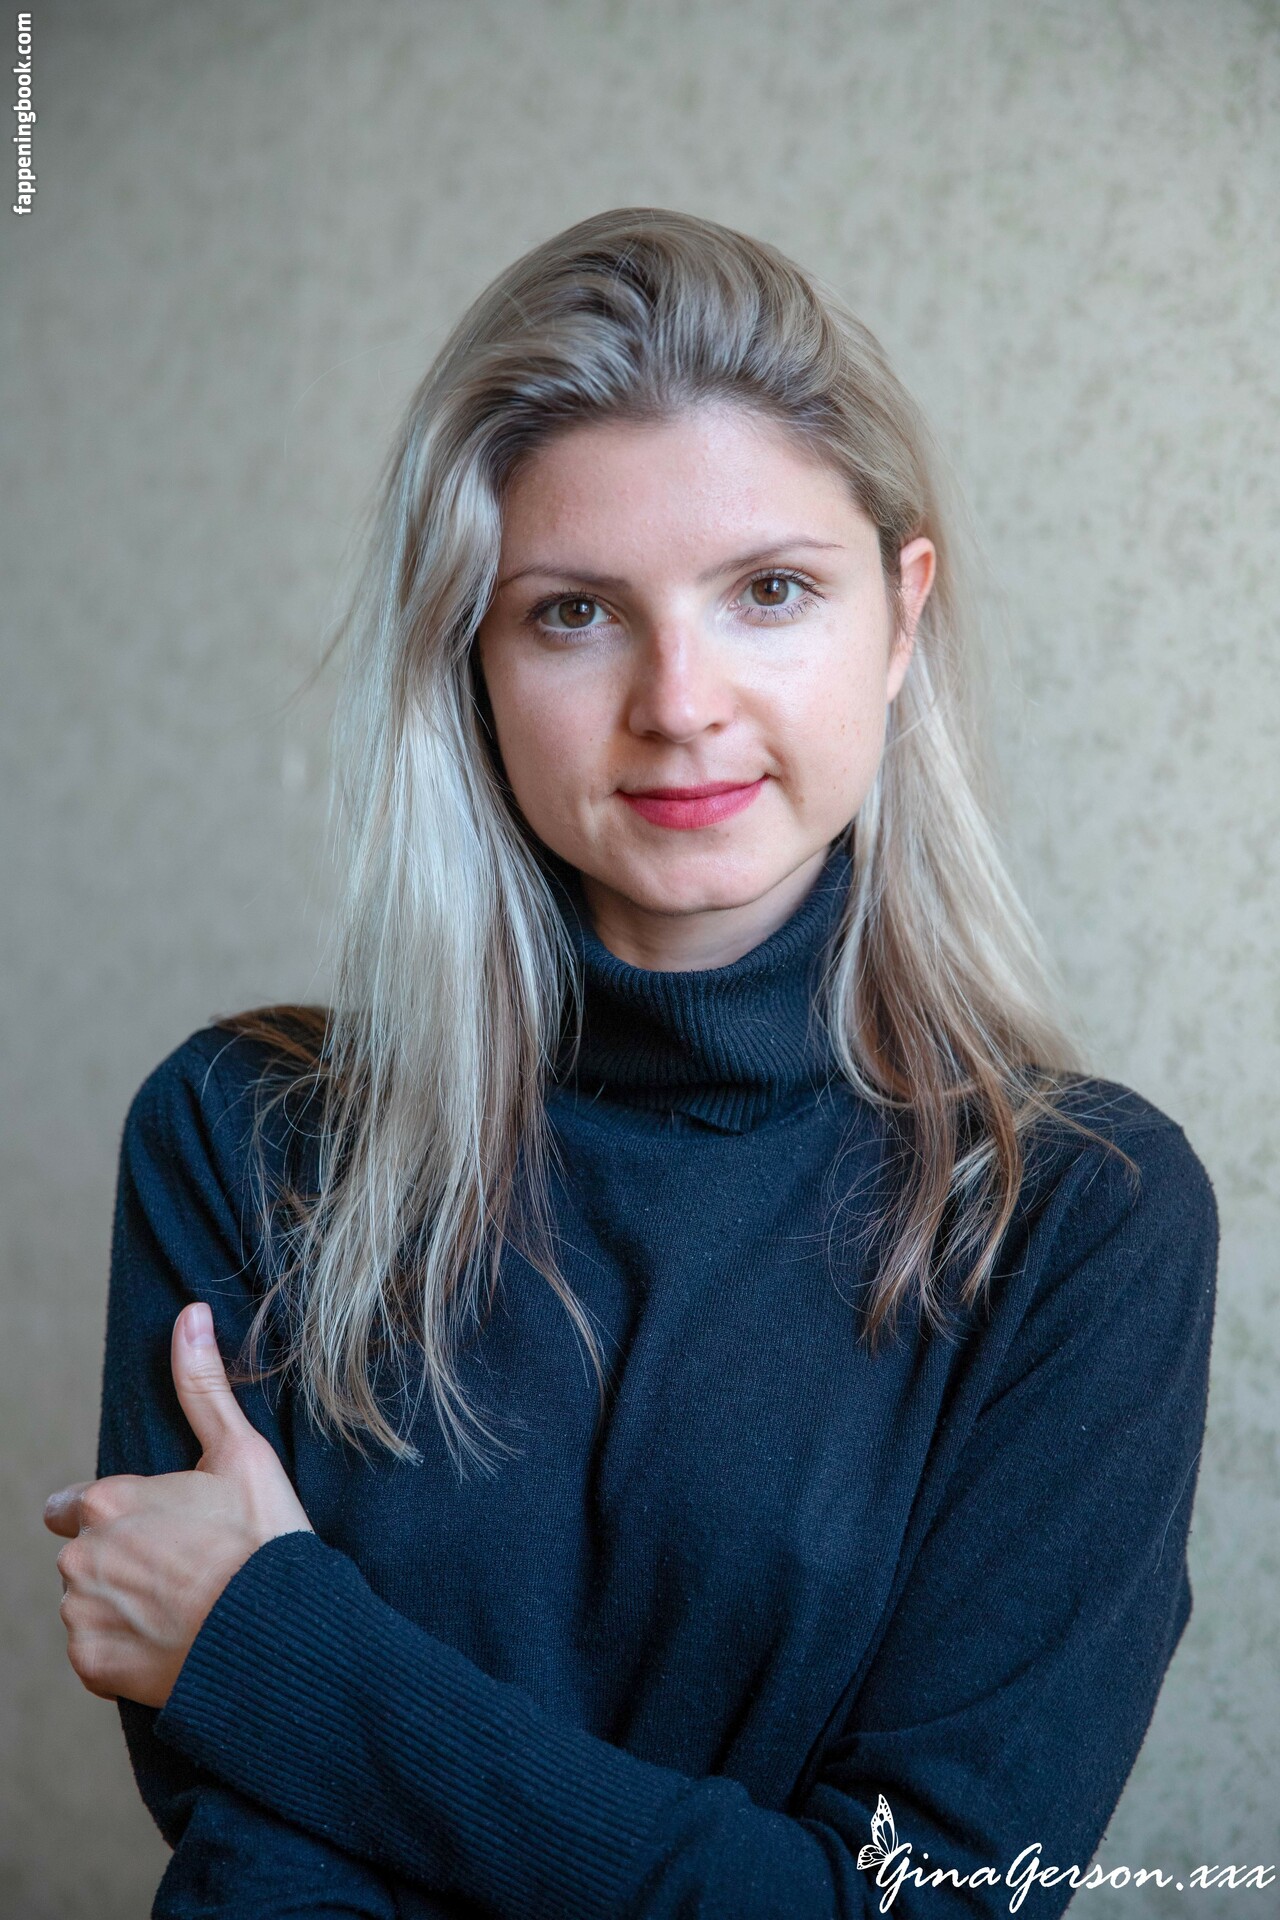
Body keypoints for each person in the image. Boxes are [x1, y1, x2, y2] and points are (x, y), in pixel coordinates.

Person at [45, 207, 1218, 1919]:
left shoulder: (1076, 1218)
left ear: (900, 620)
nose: (680, 701)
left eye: (770, 592)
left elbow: (925, 1903)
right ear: (472, 658)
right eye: (577, 612)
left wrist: (277, 1649)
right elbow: (253, 1849)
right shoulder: (244, 1136)